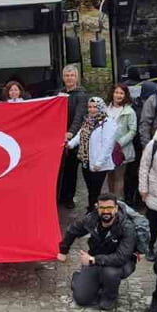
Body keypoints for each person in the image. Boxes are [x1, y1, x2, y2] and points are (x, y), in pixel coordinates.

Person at [57, 193, 137, 311]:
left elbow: (121, 257)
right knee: (82, 299)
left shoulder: (127, 227)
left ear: (116, 208)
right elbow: (73, 229)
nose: (106, 211)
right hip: (95, 259)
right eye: (102, 208)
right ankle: (80, 278)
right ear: (97, 208)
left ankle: (109, 296)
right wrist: (63, 250)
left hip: (120, 264)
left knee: (110, 273)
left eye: (109, 208)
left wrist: (93, 260)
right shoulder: (91, 220)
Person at [57, 66, 89, 209]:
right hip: (58, 137)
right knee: (59, 169)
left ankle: (69, 197)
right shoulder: (59, 94)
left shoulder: (81, 95)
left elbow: (79, 116)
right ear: (63, 77)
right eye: (67, 75)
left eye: (72, 75)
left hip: (73, 138)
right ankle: (58, 195)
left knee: (71, 169)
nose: (69, 78)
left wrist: (71, 133)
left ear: (76, 77)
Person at [78, 97, 117, 210]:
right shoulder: (88, 120)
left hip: (98, 163)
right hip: (86, 160)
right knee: (90, 189)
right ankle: (91, 208)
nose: (92, 109)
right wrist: (69, 144)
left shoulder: (107, 122)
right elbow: (80, 134)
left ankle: (95, 211)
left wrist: (99, 162)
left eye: (95, 107)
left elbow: (107, 144)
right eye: (89, 107)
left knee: (95, 190)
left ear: (100, 107)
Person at [103, 84, 137, 203]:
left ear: (125, 95)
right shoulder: (105, 109)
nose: (118, 95)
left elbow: (132, 131)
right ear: (112, 94)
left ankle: (118, 202)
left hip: (121, 150)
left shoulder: (129, 111)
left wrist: (119, 143)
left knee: (119, 177)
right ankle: (109, 201)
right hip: (107, 149)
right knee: (110, 175)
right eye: (116, 92)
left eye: (121, 93)